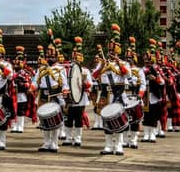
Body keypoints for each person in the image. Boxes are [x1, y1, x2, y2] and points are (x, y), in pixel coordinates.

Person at [93, 24, 131, 155]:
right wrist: (102, 65)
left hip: (118, 93)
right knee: (106, 120)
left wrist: (118, 62)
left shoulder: (124, 63)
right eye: (110, 52)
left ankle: (119, 145)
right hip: (105, 94)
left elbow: (128, 75)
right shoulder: (102, 63)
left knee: (118, 120)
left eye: (113, 52)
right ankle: (108, 145)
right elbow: (94, 76)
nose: (111, 54)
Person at [33, 29, 69, 153]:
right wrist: (32, 87)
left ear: (56, 56)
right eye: (48, 56)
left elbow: (65, 83)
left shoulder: (61, 69)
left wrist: (65, 91)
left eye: (52, 56)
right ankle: (46, 142)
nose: (50, 58)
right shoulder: (41, 69)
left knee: (54, 120)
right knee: (44, 120)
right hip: (43, 95)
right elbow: (35, 81)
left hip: (55, 94)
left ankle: (54, 143)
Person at [62, 36, 93, 147]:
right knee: (68, 119)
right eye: (74, 59)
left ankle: (78, 138)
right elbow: (64, 82)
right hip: (70, 98)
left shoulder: (85, 71)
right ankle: (68, 137)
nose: (75, 61)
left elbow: (90, 84)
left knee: (78, 119)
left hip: (80, 98)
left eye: (77, 59)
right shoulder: (67, 70)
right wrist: (65, 90)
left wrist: (84, 84)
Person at [122, 37, 146, 149]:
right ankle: (125, 140)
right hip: (124, 97)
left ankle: (133, 140)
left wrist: (139, 96)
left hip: (135, 97)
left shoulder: (139, 71)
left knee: (135, 120)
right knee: (124, 119)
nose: (128, 59)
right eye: (127, 58)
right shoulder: (121, 69)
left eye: (130, 58)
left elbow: (143, 85)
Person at [141, 38, 165, 143]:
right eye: (146, 60)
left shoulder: (157, 70)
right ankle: (146, 134)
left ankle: (152, 134)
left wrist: (155, 78)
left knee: (154, 115)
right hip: (145, 95)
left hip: (154, 95)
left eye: (149, 60)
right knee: (146, 115)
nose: (148, 62)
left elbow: (162, 82)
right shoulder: (142, 70)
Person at [11, 46, 36, 133]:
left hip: (21, 94)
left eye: (18, 63)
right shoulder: (12, 72)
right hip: (13, 93)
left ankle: (20, 126)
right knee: (14, 110)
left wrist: (22, 84)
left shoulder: (25, 72)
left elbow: (28, 83)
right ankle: (14, 125)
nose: (16, 65)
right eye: (15, 63)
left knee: (20, 110)